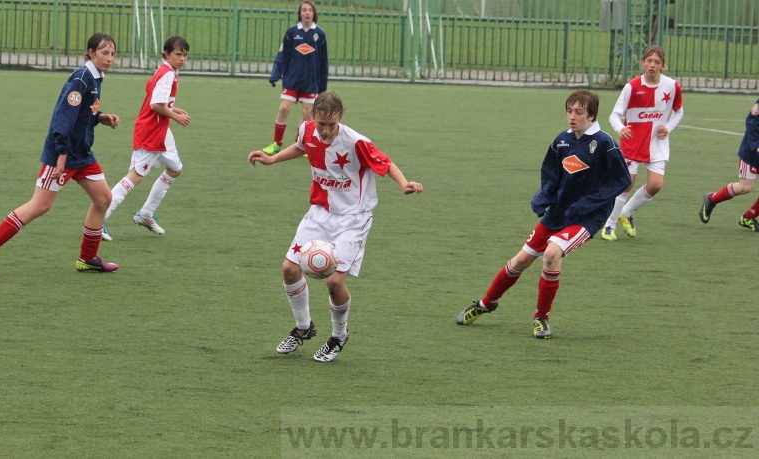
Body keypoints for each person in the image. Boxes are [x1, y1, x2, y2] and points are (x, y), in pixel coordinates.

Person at [248, 91, 422, 362]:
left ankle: (339, 336)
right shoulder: (306, 129)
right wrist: (272, 159)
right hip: (319, 213)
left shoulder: (356, 142)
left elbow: (385, 164)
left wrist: (404, 184)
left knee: (334, 281)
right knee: (289, 268)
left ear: (341, 117)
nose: (326, 130)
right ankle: (304, 327)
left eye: (331, 124)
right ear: (314, 118)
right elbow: (302, 147)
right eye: (321, 124)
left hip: (353, 219)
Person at [456, 89, 630, 339]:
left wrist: (588, 203)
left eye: (579, 112)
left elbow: (621, 180)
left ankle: (541, 318)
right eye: (569, 111)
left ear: (591, 115)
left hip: (586, 217)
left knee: (551, 254)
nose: (572, 116)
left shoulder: (605, 144)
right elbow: (551, 173)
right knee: (520, 261)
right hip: (559, 213)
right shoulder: (562, 140)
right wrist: (544, 196)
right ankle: (486, 304)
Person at [0, 33, 121, 276]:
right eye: (105, 53)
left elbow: (82, 112)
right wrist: (60, 156)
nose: (110, 58)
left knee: (103, 198)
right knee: (40, 204)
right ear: (91, 53)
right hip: (62, 154)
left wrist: (100, 117)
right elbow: (62, 119)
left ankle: (87, 258)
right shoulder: (81, 78)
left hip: (82, 154)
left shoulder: (95, 77)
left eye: (113, 54)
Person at [104, 35, 191, 238]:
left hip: (162, 131)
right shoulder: (167, 74)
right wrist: (176, 117)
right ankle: (99, 220)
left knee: (175, 169)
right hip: (151, 131)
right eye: (178, 54)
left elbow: (155, 96)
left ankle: (146, 214)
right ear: (166, 54)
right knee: (135, 176)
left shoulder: (166, 71)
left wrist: (173, 109)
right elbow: (155, 105)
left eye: (185, 55)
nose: (183, 58)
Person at [600, 46, 684, 241]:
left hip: (657, 143)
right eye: (649, 61)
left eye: (657, 62)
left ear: (663, 65)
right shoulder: (632, 86)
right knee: (626, 184)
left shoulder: (672, 87)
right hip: (632, 142)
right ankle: (609, 226)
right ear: (643, 63)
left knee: (655, 185)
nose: (652, 65)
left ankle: (626, 212)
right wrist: (621, 128)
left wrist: (668, 127)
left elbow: (678, 111)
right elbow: (614, 114)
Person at [261, 1, 328, 155]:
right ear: (300, 13)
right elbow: (283, 54)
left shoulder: (319, 34)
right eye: (304, 10)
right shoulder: (292, 32)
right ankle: (276, 144)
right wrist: (276, 74)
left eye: (310, 10)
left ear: (314, 13)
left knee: (307, 113)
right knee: (284, 108)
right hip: (292, 78)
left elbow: (323, 61)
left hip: (311, 81)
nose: (307, 13)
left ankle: (300, 145)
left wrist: (322, 85)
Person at [699, 97, 759, 231]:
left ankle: (748, 218)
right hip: (752, 155)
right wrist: (756, 145)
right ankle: (711, 199)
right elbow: (752, 122)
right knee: (745, 188)